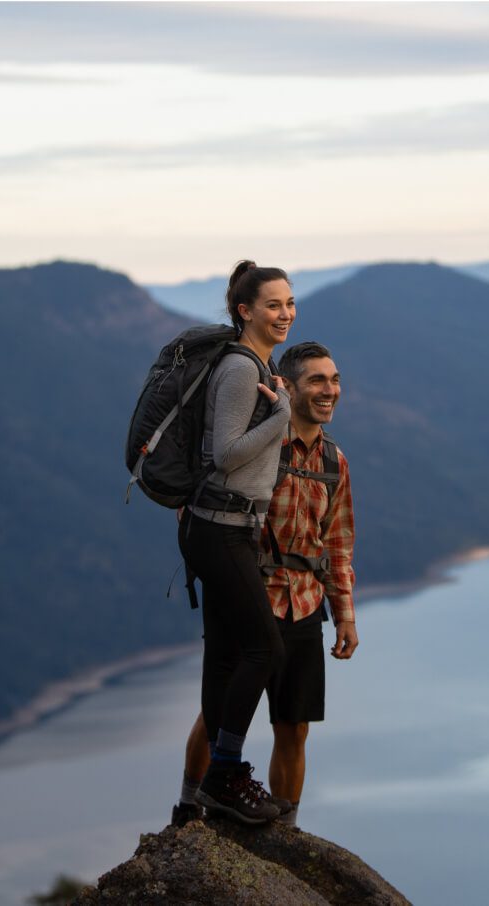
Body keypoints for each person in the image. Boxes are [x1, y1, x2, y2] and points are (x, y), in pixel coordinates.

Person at [174, 341, 358, 828]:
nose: (330, 391)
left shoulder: (334, 463)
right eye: (317, 381)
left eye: (335, 380)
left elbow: (337, 544)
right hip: (249, 594)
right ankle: (190, 807)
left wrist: (345, 615)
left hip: (303, 603)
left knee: (293, 727)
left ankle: (286, 831)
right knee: (216, 714)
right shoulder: (260, 446)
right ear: (288, 388)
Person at [177, 260, 296, 825]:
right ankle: (224, 773)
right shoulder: (241, 369)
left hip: (227, 529)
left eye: (290, 303)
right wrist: (284, 416)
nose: (285, 314)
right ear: (245, 311)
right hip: (220, 529)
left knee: (225, 657)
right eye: (273, 305)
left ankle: (202, 796)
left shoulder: (257, 368)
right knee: (264, 650)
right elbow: (225, 454)